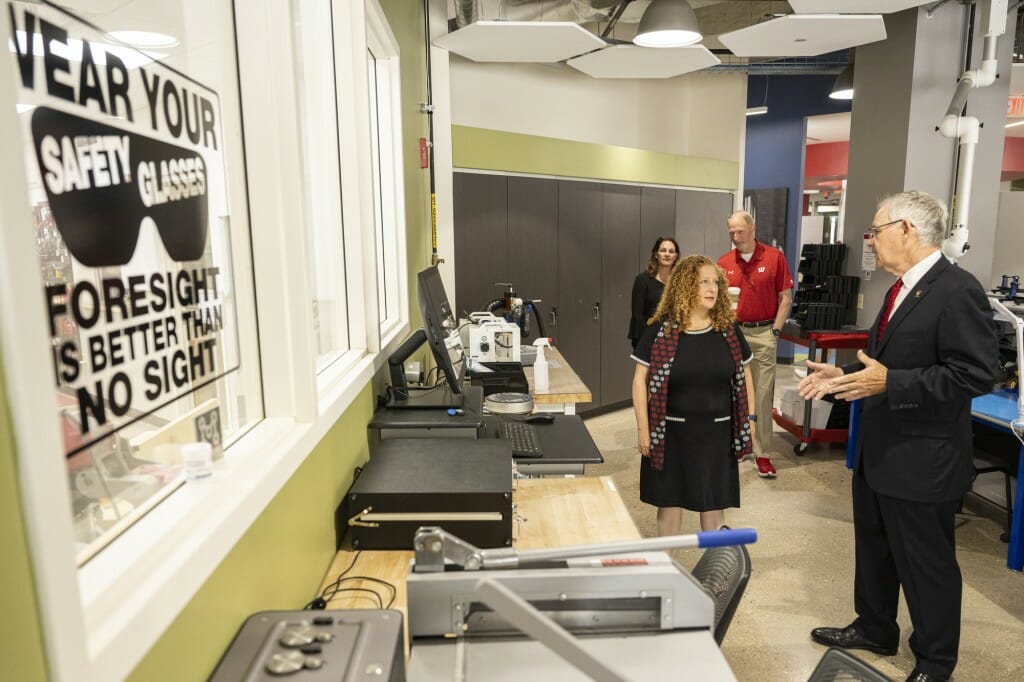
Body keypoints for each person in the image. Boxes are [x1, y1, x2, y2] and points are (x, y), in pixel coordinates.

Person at [798, 191, 997, 682]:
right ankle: (875, 626)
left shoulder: (957, 290)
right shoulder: (899, 289)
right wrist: (839, 377)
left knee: (927, 567)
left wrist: (891, 383)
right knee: (875, 548)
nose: (870, 241)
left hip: (923, 460)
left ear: (907, 230)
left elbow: (974, 375)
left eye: (875, 230)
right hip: (880, 450)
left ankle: (934, 661)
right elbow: (882, 363)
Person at [631, 254, 755, 535]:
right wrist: (643, 428)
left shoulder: (729, 331)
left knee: (713, 505)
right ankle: (666, 573)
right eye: (703, 282)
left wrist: (751, 420)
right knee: (669, 503)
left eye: (715, 282)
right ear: (686, 286)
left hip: (717, 433)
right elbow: (640, 381)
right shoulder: (660, 332)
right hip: (670, 432)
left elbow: (745, 376)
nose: (713, 288)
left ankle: (717, 575)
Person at [718, 211, 793, 479]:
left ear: (752, 228)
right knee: (732, 393)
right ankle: (739, 445)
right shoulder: (725, 262)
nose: (736, 237)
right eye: (731, 233)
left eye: (740, 231)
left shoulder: (774, 258)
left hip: (763, 333)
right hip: (732, 334)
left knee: (761, 396)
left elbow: (785, 297)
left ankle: (763, 454)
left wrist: (775, 330)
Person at [628, 237, 680, 349]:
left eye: (671, 251)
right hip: (648, 339)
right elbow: (638, 316)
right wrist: (643, 344)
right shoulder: (642, 280)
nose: (667, 254)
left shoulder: (680, 282)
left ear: (676, 256)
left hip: (674, 340)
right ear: (656, 254)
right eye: (663, 250)